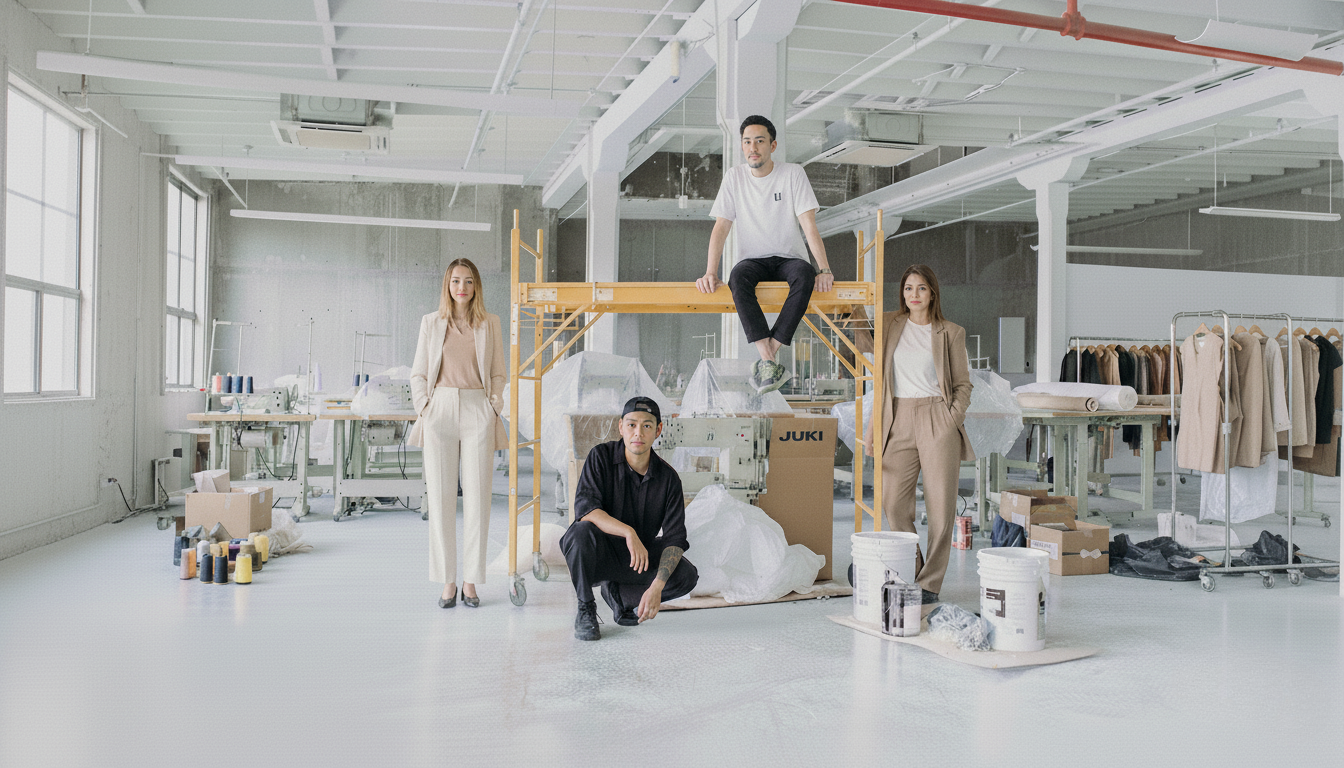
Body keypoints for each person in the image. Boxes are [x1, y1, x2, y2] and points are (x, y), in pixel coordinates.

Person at [696, 114, 833, 394]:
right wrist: (711, 271)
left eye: (760, 141)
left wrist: (825, 269)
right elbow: (721, 227)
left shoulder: (793, 173)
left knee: (805, 274)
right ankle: (768, 358)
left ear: (773, 145)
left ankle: (769, 355)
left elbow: (809, 226)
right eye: (747, 142)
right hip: (753, 260)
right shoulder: (734, 177)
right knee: (737, 277)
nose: (753, 147)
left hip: (789, 258)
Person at [862, 264, 974, 605]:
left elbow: (962, 384)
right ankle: (914, 568)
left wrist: (950, 419)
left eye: (921, 288)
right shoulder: (889, 324)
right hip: (897, 417)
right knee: (893, 503)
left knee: (941, 508)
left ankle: (930, 584)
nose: (914, 295)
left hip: (936, 418)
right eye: (909, 288)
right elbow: (866, 351)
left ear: (932, 294)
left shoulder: (950, 332)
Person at [409, 258, 508, 609]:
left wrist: (493, 406)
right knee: (440, 498)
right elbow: (418, 372)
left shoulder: (490, 323)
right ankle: (448, 581)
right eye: (455, 281)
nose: (461, 287)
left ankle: (470, 582)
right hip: (440, 410)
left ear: (476, 285)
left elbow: (499, 373)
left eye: (468, 281)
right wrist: (425, 406)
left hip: (478, 409)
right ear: (447, 286)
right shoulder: (431, 323)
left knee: (479, 499)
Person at [560, 397, 699, 641]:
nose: (638, 432)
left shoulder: (668, 479)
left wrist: (656, 587)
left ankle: (620, 597)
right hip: (598, 554)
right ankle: (586, 608)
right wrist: (628, 532)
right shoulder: (600, 457)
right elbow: (587, 510)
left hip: (637, 559)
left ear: (658, 430)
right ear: (620, 427)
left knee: (685, 574)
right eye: (632, 424)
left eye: (646, 426)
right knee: (580, 533)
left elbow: (675, 538)